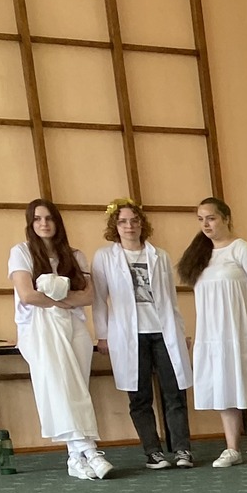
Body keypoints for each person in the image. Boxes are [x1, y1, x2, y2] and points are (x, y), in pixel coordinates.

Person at [8, 199, 110, 480]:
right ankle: (89, 450)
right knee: (58, 388)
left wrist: (56, 300)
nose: (44, 223)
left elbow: (88, 296)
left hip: (74, 327)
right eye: (38, 219)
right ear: (31, 223)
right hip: (38, 329)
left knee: (77, 388)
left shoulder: (74, 255)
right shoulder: (21, 252)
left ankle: (75, 458)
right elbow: (28, 295)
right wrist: (64, 301)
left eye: (49, 218)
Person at [92, 198, 195, 468]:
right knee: (139, 397)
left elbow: (171, 299)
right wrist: (102, 335)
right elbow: (99, 299)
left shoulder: (159, 256)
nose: (129, 226)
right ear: (115, 226)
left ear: (142, 224)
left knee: (175, 392)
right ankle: (153, 452)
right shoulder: (104, 257)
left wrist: (180, 332)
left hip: (163, 331)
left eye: (134, 221)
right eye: (123, 222)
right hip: (129, 335)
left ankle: (182, 449)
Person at [178, 196, 247, 468]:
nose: (206, 224)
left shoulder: (241, 249)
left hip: (244, 334)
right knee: (223, 388)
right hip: (214, 335)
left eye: (211, 218)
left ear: (225, 218)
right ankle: (232, 448)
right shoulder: (201, 255)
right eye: (201, 219)